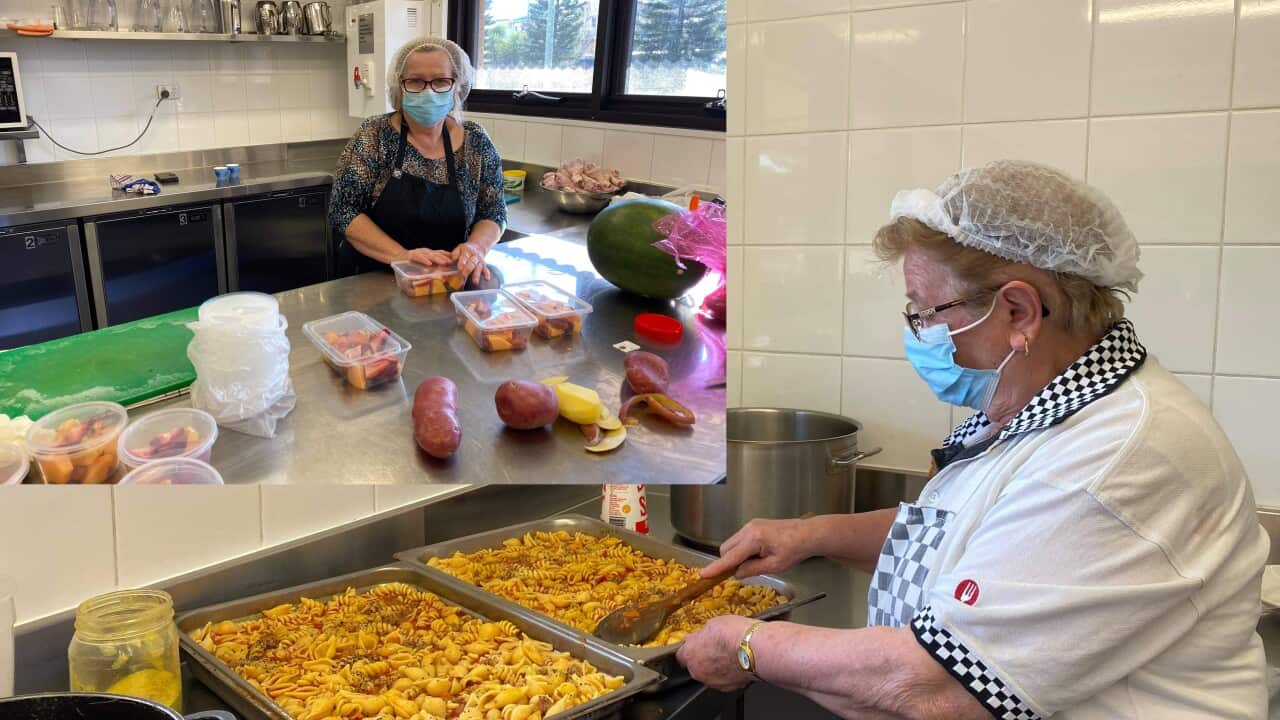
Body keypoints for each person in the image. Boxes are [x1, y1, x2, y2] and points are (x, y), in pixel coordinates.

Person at [676, 161, 1269, 719]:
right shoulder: (1040, 406)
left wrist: (748, 644)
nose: (921, 334)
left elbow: (934, 686)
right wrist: (810, 536)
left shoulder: (1116, 458)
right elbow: (963, 529)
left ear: (1017, 312)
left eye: (927, 312)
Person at [329, 36, 505, 284]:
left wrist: (477, 247)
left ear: (457, 85)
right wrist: (401, 257)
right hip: (374, 281)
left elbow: (494, 210)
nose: (428, 91)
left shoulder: (475, 141)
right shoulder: (374, 135)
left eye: (441, 81)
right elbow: (343, 211)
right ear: (399, 86)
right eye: (415, 81)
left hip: (448, 281)